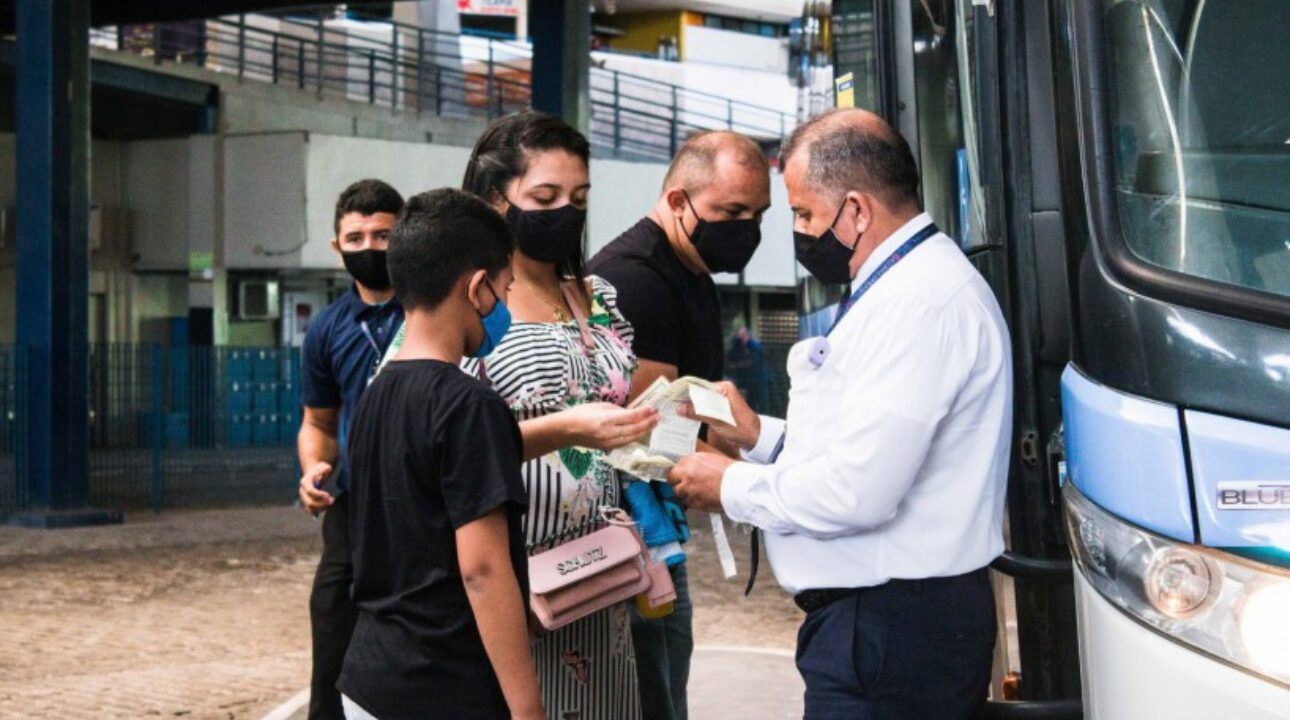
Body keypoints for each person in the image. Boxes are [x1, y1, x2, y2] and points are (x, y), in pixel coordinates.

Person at [667, 108, 1013, 719]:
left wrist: (731, 486)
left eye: (802, 214)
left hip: (892, 632)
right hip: (881, 628)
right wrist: (759, 437)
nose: (798, 232)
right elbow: (862, 444)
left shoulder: (919, 303)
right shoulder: (900, 288)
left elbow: (857, 491)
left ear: (856, 210)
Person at [380, 111, 645, 719]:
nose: (567, 213)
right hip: (512, 580)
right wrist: (566, 428)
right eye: (545, 197)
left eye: (579, 198)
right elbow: (427, 439)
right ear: (496, 202)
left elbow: (619, 403)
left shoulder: (596, 297)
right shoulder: (465, 305)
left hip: (602, 575)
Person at [337, 188, 542, 720]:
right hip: (443, 688)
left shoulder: (375, 393)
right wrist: (527, 709)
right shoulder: (469, 406)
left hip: (370, 677)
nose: (504, 308)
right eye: (505, 289)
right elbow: (482, 569)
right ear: (476, 288)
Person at [588, 130, 771, 720]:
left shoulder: (689, 270)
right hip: (622, 540)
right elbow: (656, 430)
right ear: (677, 201)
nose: (746, 228)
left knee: (668, 676)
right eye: (730, 212)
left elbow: (704, 412)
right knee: (651, 691)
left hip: (656, 534)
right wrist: (767, 482)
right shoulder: (635, 279)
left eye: (757, 214)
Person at [297, 179, 405, 720]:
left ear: (405, 236)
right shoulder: (326, 329)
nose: (370, 248)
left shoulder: (435, 308)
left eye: (383, 235)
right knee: (332, 611)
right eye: (356, 237)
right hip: (353, 501)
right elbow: (317, 420)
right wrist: (314, 468)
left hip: (426, 499)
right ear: (337, 247)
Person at [725, 326, 770, 413]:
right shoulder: (738, 346)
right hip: (748, 381)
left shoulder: (754, 346)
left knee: (762, 404)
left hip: (759, 380)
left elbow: (753, 362)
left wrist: (737, 365)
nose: (739, 338)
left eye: (741, 335)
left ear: (746, 335)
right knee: (750, 404)